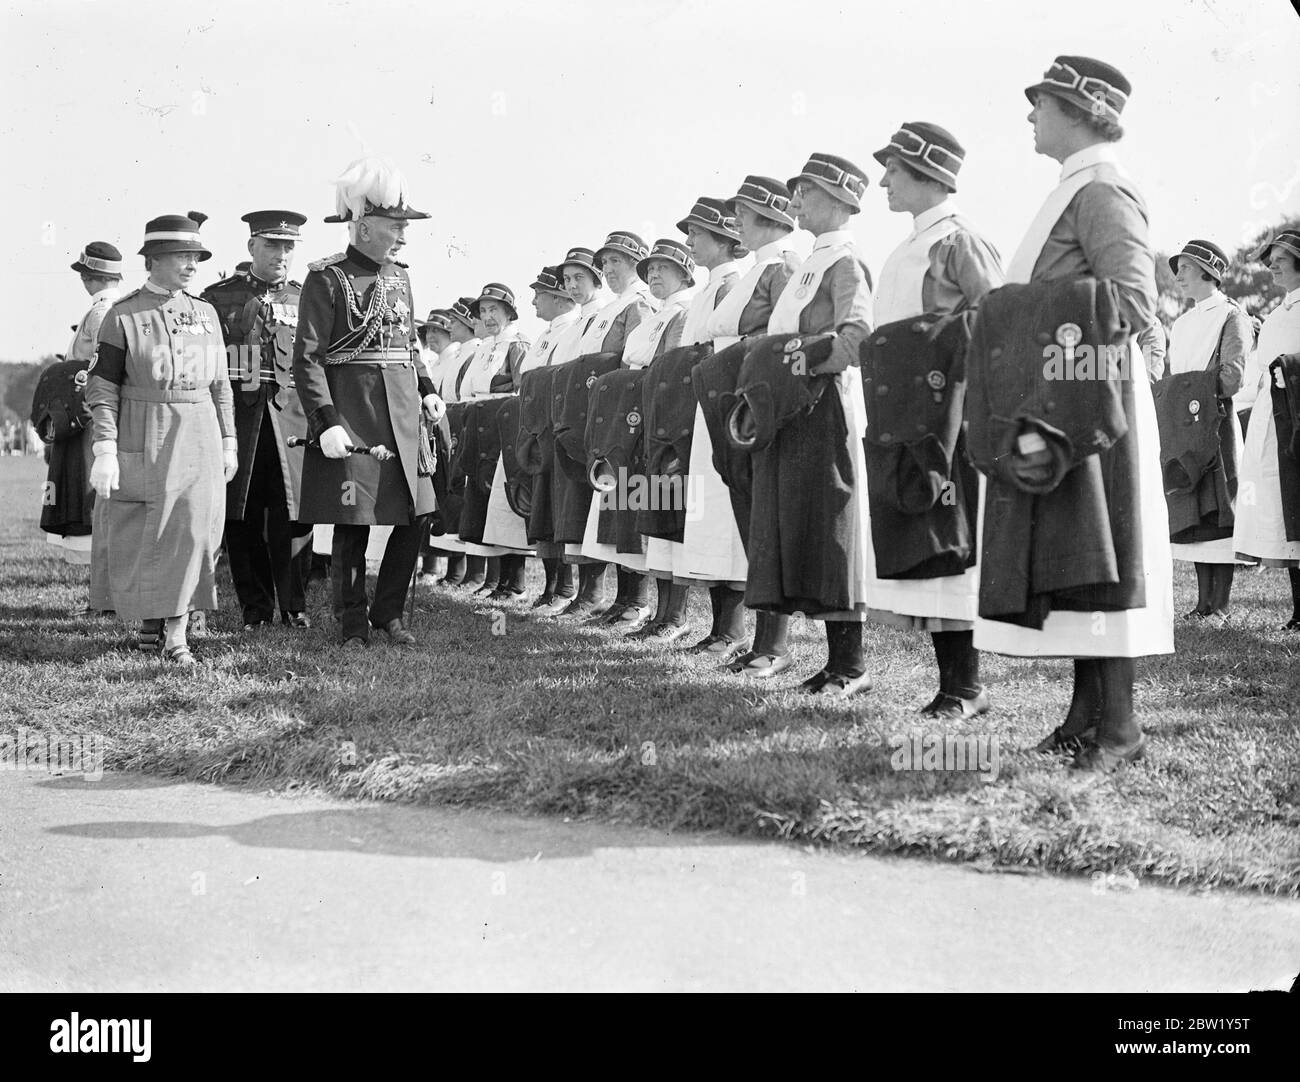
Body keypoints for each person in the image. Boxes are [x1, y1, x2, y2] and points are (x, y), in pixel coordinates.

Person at [968, 55, 1173, 771]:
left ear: (1081, 111)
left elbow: (1132, 303)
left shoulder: (1104, 190)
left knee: (1106, 556)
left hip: (1093, 406)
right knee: (1080, 556)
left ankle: (1122, 731)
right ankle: (1086, 716)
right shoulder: (1072, 188)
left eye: (1041, 103)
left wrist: (1014, 311)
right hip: (1061, 400)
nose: (1030, 115)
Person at [867, 121, 1004, 718]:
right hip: (903, 414)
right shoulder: (906, 245)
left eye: (893, 170)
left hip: (948, 418)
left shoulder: (958, 240)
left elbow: (995, 320)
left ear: (926, 174)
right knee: (920, 537)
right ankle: (951, 682)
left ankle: (965, 687)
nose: (884, 181)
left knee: (950, 541)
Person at [292, 156, 443, 648]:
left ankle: (389, 613)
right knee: (354, 521)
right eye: (395, 225)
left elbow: (410, 347)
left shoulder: (400, 277)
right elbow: (308, 358)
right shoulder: (326, 279)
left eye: (404, 226)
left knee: (416, 514)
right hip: (353, 417)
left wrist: (428, 390)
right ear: (362, 226)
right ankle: (352, 621)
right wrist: (326, 420)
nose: (402, 235)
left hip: (403, 416)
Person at [739, 153, 875, 693]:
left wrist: (803, 365)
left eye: (808, 193)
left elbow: (857, 336)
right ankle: (828, 660)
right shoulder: (810, 264)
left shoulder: (844, 261)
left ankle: (851, 665)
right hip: (792, 411)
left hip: (825, 408)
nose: (795, 202)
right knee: (798, 528)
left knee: (832, 529)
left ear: (843, 203)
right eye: (794, 193)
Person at [84, 214, 237, 665]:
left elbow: (221, 384)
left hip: (201, 433)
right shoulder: (122, 315)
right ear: (153, 260)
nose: (191, 265)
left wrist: (229, 439)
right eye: (181, 256)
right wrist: (105, 447)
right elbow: (101, 385)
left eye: (195, 256)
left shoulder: (206, 313)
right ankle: (154, 623)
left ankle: (176, 635)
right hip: (144, 429)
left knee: (194, 530)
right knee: (149, 532)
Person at [701, 177, 803, 670]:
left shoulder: (782, 265)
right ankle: (745, 636)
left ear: (768, 215)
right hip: (728, 385)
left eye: (741, 211)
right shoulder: (753, 268)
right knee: (741, 515)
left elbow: (786, 335)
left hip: (754, 395)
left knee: (765, 517)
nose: (735, 220)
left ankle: (773, 644)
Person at [202, 210, 313, 631]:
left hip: (293, 423)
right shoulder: (219, 298)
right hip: (241, 422)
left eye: (288, 247)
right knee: (241, 516)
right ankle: (256, 609)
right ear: (251, 247)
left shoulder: (305, 299)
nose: (281, 254)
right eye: (272, 245)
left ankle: (295, 606)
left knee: (295, 515)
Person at [556, 231, 657, 623]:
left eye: (617, 261)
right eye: (607, 262)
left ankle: (637, 599)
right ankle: (613, 597)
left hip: (627, 413)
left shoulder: (640, 304)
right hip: (601, 412)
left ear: (637, 263)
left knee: (630, 501)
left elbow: (638, 359)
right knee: (607, 505)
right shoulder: (609, 309)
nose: (609, 269)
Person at [599, 236, 698, 636]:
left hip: (666, 414)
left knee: (669, 507)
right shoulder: (656, 314)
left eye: (663, 268)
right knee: (640, 510)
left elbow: (672, 365)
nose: (654, 274)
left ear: (684, 273)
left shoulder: (685, 311)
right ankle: (645, 607)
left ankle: (673, 615)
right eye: (650, 269)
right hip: (637, 411)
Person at [1160, 239, 1251, 621]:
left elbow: (1233, 377)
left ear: (1208, 273)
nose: (1178, 275)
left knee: (1219, 508)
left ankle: (1221, 604)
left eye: (1185, 268)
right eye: (1177, 268)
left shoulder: (1232, 316)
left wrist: (1190, 388)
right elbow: (1169, 376)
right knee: (1191, 508)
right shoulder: (1180, 324)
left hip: (1217, 425)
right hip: (1182, 427)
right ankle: (1202, 603)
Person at [35, 241, 123, 579]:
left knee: (91, 503)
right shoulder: (110, 308)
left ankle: (104, 591)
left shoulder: (102, 311)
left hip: (91, 416)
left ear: (88, 277)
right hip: (92, 414)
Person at [529, 249, 609, 615]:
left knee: (592, 502)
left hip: (594, 416)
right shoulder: (578, 321)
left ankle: (593, 592)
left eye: (580, 278)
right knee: (563, 503)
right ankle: (564, 589)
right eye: (568, 280)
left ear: (597, 277)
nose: (573, 286)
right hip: (561, 416)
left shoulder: (608, 311)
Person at [1233, 229, 1300, 628]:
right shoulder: (1278, 313)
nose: (1272, 265)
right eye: (1270, 259)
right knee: (1286, 512)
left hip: (1297, 415)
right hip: (1274, 420)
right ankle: (1297, 610)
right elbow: (1258, 372)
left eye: (1280, 259)